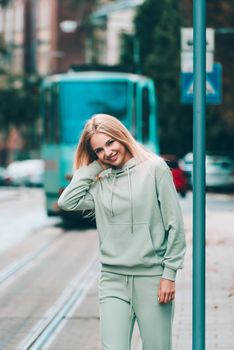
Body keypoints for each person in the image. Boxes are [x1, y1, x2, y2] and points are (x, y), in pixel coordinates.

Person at [58, 114, 186, 350]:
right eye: (99, 150)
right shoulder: (101, 182)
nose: (107, 152)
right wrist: (95, 167)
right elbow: (67, 201)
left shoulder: (155, 169)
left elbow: (175, 225)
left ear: (121, 137)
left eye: (110, 143)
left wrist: (169, 274)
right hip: (112, 280)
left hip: (152, 279)